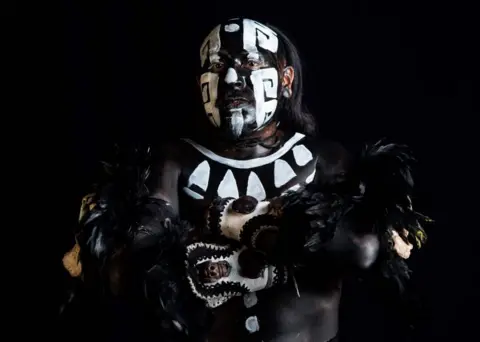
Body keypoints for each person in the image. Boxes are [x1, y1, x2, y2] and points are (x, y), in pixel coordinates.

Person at [60, 18, 430, 342]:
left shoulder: (322, 159)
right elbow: (130, 266)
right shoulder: (174, 160)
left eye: (251, 63)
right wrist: (275, 236)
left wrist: (233, 223)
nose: (232, 78)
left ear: (285, 78)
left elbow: (360, 249)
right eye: (218, 65)